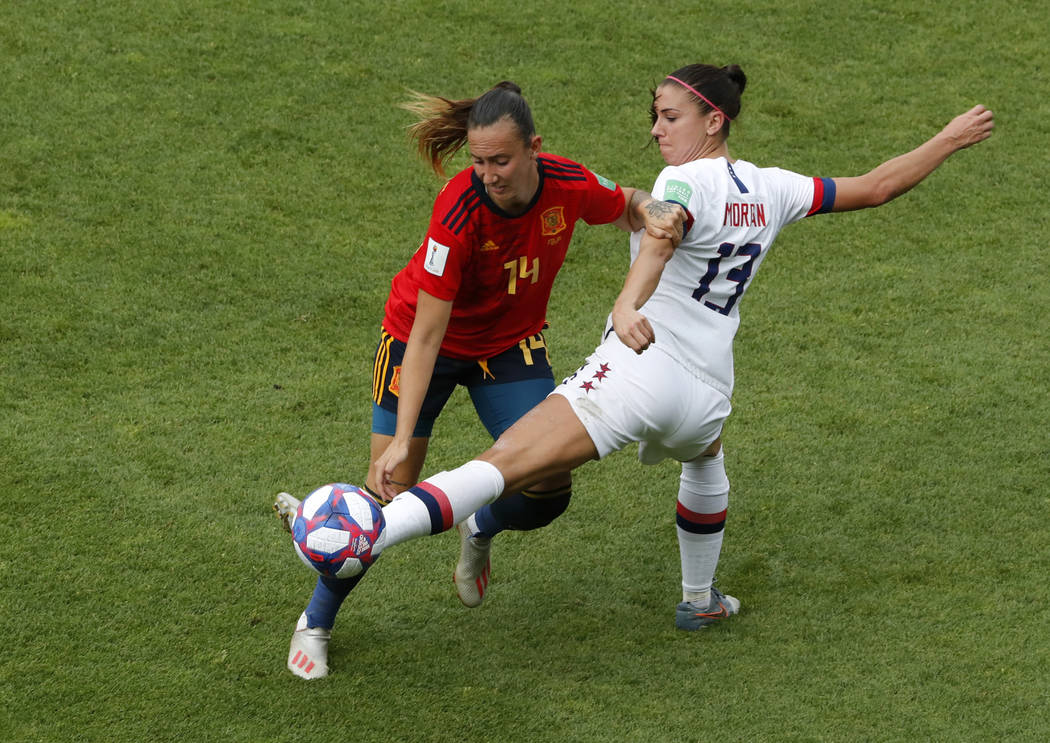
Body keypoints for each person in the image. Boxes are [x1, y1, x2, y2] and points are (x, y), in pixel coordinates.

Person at [277, 64, 994, 678]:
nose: (656, 130)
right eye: (655, 116)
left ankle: (406, 527)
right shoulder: (772, 187)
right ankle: (699, 597)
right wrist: (950, 138)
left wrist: (629, 294)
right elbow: (873, 186)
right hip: (690, 390)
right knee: (701, 462)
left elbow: (657, 225)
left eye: (669, 115)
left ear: (713, 119)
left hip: (607, 365)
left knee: (517, 474)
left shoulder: (679, 182)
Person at [275, 80, 685, 679]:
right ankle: (316, 621)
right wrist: (402, 439)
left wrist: (655, 209)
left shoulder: (566, 184)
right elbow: (426, 336)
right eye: (478, 161)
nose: (488, 173)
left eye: (500, 160)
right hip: (424, 344)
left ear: (533, 149)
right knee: (385, 495)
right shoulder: (460, 208)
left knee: (549, 489)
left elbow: (623, 202)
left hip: (507, 347)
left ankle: (480, 522)